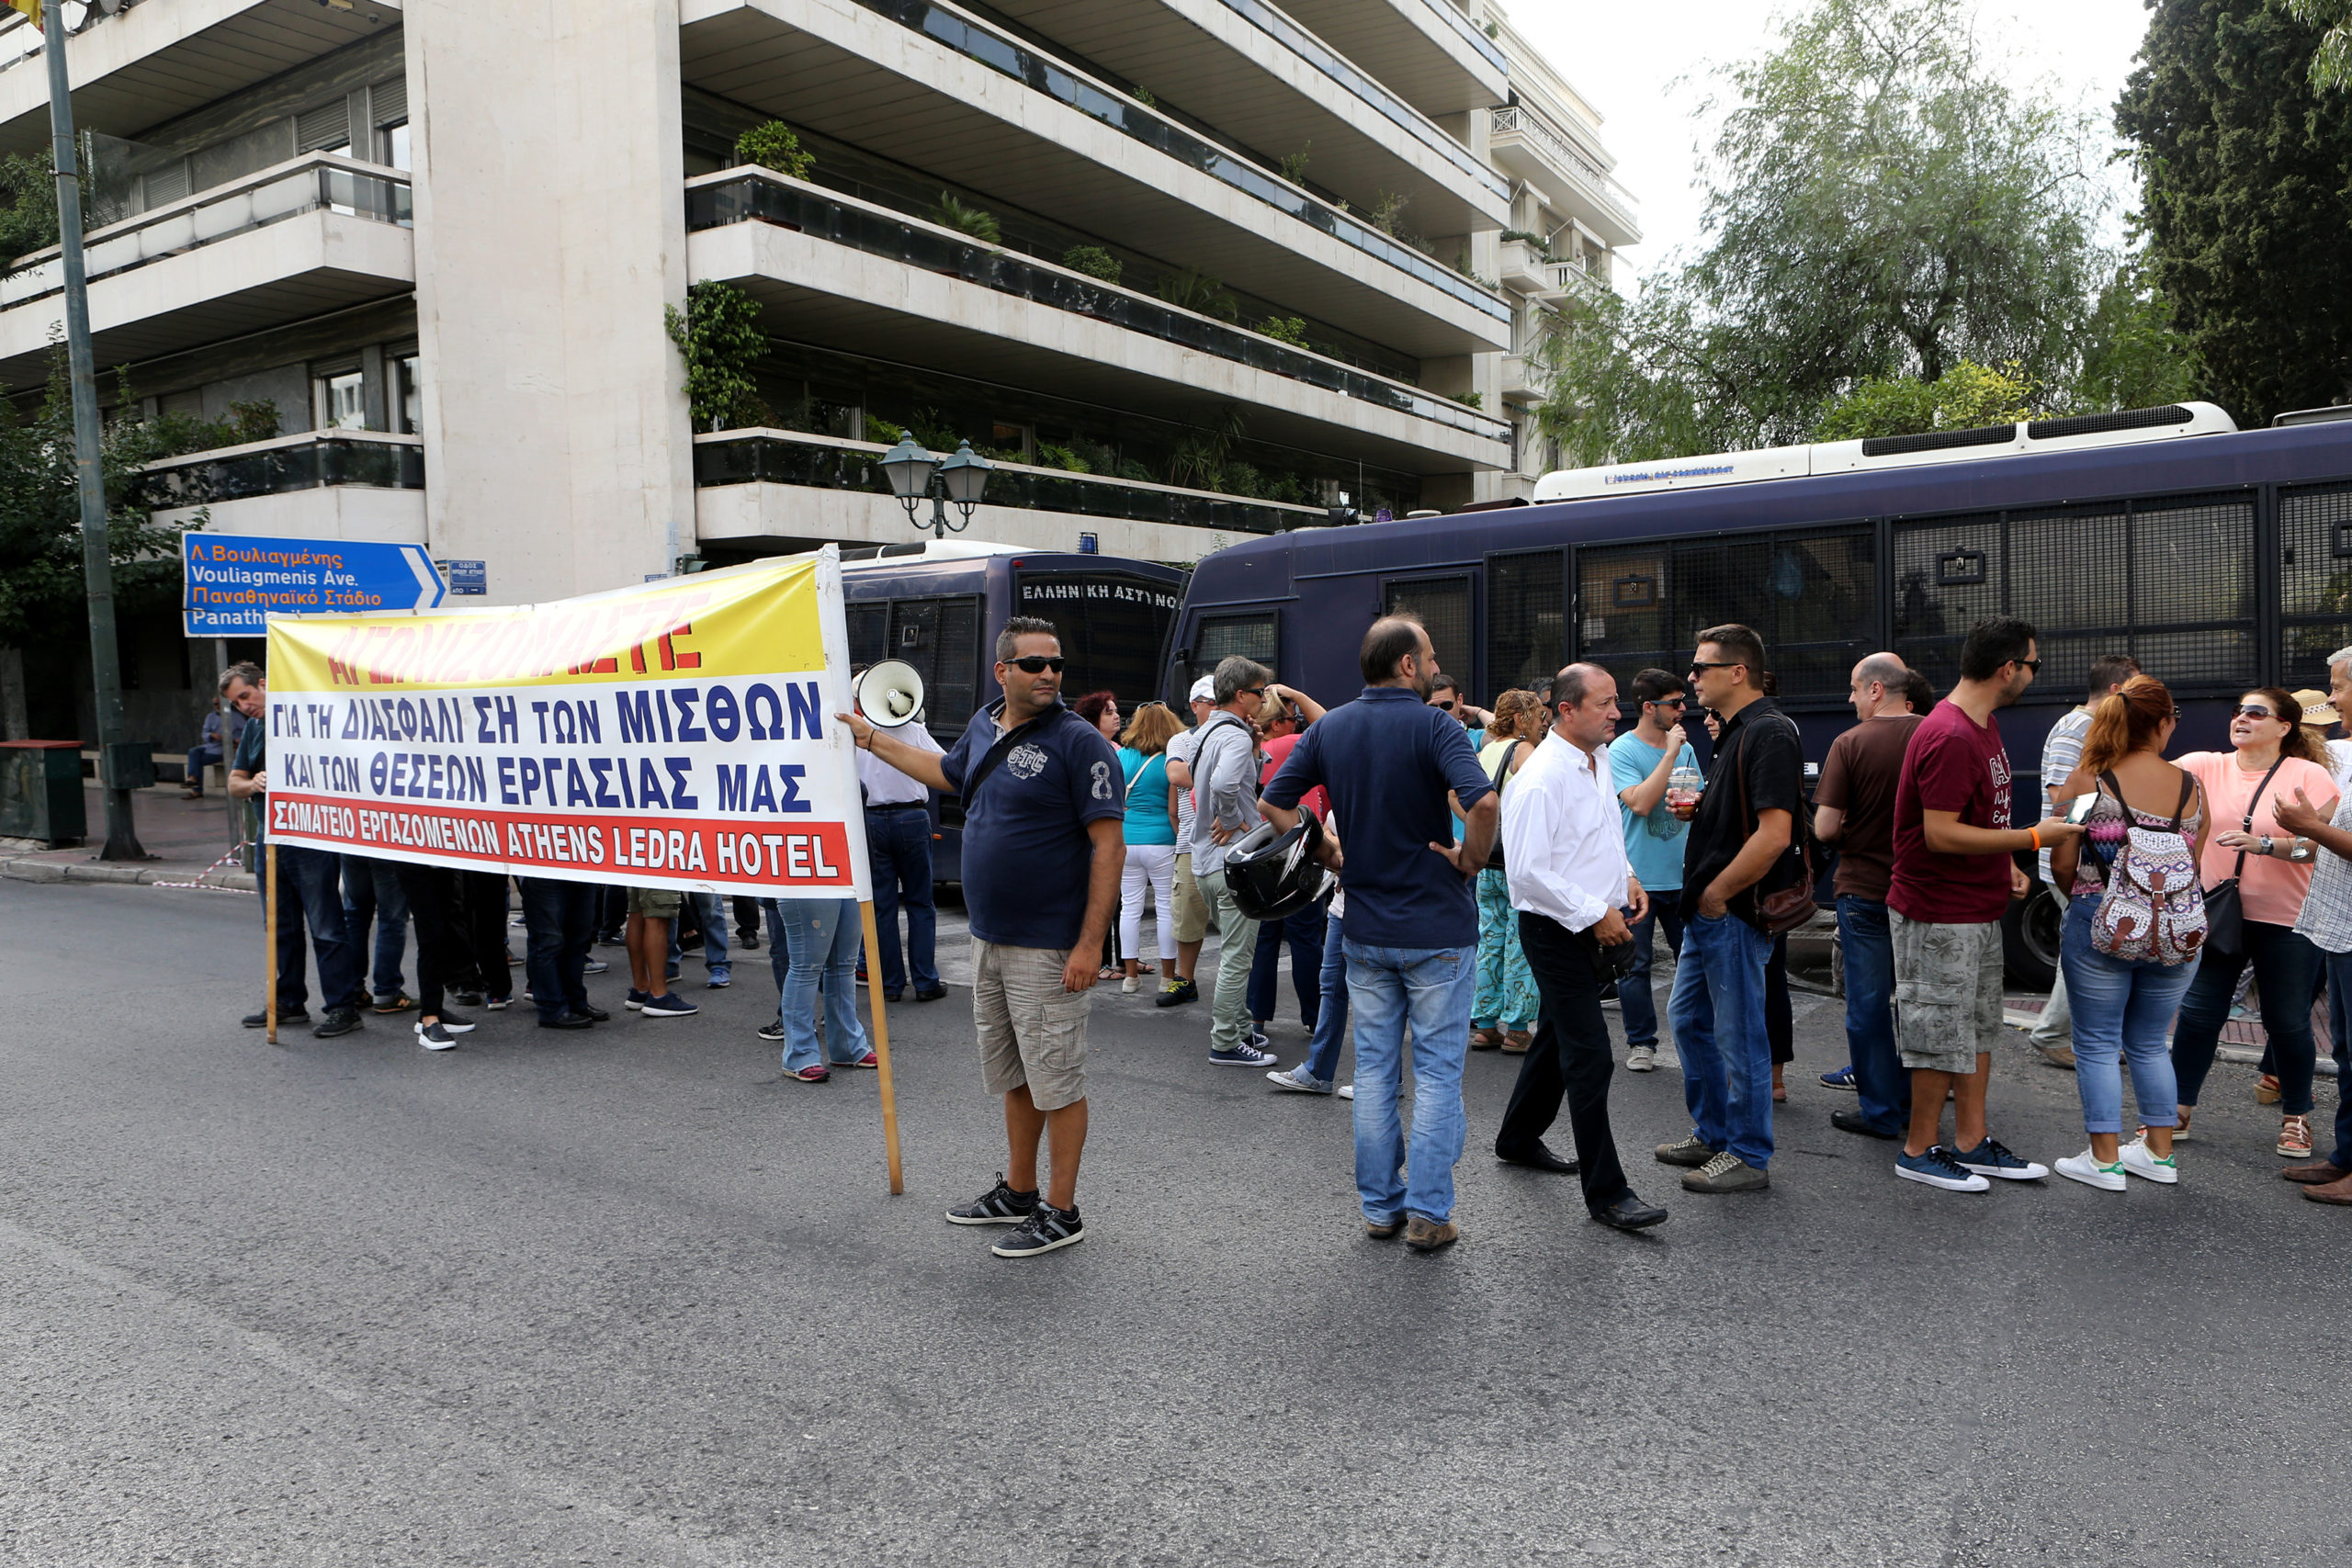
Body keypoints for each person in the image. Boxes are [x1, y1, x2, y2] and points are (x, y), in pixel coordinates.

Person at [843, 615, 1124, 1259]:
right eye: (1033, 664)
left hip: (1048, 943)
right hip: (990, 937)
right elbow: (944, 771)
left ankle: (1062, 1209)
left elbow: (1108, 847)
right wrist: (870, 740)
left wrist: (1089, 945)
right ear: (1003, 671)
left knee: (1059, 1080)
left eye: (1055, 663)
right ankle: (1020, 1193)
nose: (1049, 673)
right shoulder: (983, 723)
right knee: (1016, 1074)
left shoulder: (1081, 744)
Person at [1261, 615, 1497, 1253]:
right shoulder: (1437, 725)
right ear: (1408, 665)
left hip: (1364, 924)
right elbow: (1486, 803)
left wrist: (1328, 848)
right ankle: (1428, 1213)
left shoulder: (1331, 726)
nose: (1432, 661)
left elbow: (1274, 803)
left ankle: (1379, 1206)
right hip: (1439, 928)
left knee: (1373, 1071)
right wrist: (1471, 859)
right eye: (1429, 654)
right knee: (1440, 1074)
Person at [1887, 616, 2076, 1194]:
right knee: (1937, 1031)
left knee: (1976, 1029)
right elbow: (1941, 833)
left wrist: (2006, 864)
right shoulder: (1949, 734)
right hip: (1937, 908)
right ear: (2007, 668)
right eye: (2032, 665)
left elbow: (1979, 817)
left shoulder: (1982, 723)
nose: (2033, 675)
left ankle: (1972, 1141)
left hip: (1974, 905)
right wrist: (2033, 839)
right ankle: (1919, 1149)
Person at [1496, 663, 1670, 1232]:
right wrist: (1597, 913)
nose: (1616, 712)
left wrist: (1626, 877)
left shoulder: (1593, 760)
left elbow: (1600, 834)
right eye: (1604, 703)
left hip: (1591, 922)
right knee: (1590, 1055)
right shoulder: (1542, 775)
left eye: (1615, 701)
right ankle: (1608, 1193)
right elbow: (1525, 876)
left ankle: (1518, 1138)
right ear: (1565, 711)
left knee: (1558, 1036)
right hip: (1555, 932)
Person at [1656, 625, 1802, 1194]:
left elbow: (1773, 835)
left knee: (1740, 1035)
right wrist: (1704, 815)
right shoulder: (1738, 732)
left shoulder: (1768, 733)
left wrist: (1718, 895)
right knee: (1689, 1018)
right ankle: (1714, 1131)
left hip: (1732, 913)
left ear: (1737, 672)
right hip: (1709, 912)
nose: (1690, 679)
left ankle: (1747, 1154)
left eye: (1700, 668)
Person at [2045, 674, 2204, 1189]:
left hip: (2101, 922)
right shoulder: (2190, 786)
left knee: (2095, 1043)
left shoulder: (2085, 779)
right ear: (2160, 723)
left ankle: (2106, 1161)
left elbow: (2062, 859)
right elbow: (2192, 864)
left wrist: (2089, 900)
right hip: (2175, 931)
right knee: (2152, 1042)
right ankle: (2158, 1155)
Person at [2167, 687, 2336, 1158]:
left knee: (2287, 1021)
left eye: (2256, 712)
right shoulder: (2203, 765)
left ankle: (2296, 1117)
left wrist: (2265, 845)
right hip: (2218, 913)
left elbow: (2314, 849)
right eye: (2239, 711)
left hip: (2287, 917)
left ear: (2284, 727)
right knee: (2199, 1016)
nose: (2242, 718)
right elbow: (2146, 782)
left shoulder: (2309, 776)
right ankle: (2175, 1111)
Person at [1811, 652, 1923, 1143]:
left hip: (1865, 890)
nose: (1850, 699)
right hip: (1924, 893)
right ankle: (1918, 1103)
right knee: (1920, 1001)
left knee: (1869, 1006)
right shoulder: (1937, 733)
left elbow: (1826, 826)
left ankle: (1881, 1111)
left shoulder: (1850, 743)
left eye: (1855, 690)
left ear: (1876, 690)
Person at [222, 661, 364, 1039]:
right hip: (270, 840)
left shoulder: (307, 716)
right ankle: (287, 1001)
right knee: (279, 927)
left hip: (309, 839)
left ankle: (342, 1007)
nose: (244, 707)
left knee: (326, 926)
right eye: (236, 703)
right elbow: (234, 782)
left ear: (264, 684)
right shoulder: (254, 728)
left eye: (245, 696)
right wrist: (253, 782)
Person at [2025, 655, 2142, 1069]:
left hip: (2093, 861)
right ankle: (2054, 1033)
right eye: (2136, 689)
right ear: (2116, 691)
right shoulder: (2077, 728)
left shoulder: (2097, 728)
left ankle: (2073, 1035)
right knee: (2085, 948)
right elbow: (2063, 799)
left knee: (2087, 946)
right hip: (2077, 862)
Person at [2276, 647, 2352, 1205]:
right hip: (2340, 924)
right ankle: (2346, 1157)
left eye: (2339, 686)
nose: (2330, 698)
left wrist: (2309, 827)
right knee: (2347, 1051)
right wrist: (2306, 827)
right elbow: (2327, 829)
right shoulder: (2347, 756)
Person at [1188, 655, 1279, 1066]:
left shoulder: (1206, 732)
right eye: (1260, 693)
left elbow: (1226, 780)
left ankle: (1240, 1026)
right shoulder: (1236, 736)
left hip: (1206, 861)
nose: (1264, 700)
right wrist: (1233, 819)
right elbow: (1227, 784)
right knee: (1238, 957)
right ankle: (1226, 1041)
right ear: (1241, 695)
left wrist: (1256, 747)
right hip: (1234, 861)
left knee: (1234, 949)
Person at [1607, 669, 1700, 1072]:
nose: (1683, 710)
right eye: (1674, 703)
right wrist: (1669, 755)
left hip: (1683, 874)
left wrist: (1692, 803)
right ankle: (1641, 1043)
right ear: (1649, 707)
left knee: (1694, 963)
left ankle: (1696, 1037)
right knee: (1635, 965)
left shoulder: (1686, 748)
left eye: (1683, 701)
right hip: (1637, 878)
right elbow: (1641, 804)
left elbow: (1692, 799)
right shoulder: (1622, 751)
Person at [858, 689, 946, 1004]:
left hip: (871, 819)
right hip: (911, 816)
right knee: (920, 903)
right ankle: (925, 980)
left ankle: (891, 984)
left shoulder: (858, 731)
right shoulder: (914, 730)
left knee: (883, 906)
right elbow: (944, 766)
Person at [1468, 690, 1544, 1054]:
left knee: (1490, 940)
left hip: (1487, 861)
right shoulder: (1523, 751)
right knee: (1520, 943)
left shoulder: (1486, 749)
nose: (1542, 724)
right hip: (1516, 860)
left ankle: (1485, 1025)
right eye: (1538, 717)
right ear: (1520, 719)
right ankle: (1516, 1028)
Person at [1265, 810, 1354, 1100]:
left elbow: (1273, 804)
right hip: (1346, 905)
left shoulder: (1377, 781)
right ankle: (1318, 1071)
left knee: (1380, 995)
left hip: (1370, 903)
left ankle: (1384, 1080)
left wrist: (1338, 850)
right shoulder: (1349, 780)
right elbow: (1328, 826)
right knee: (1331, 987)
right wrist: (1334, 844)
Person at [756, 897, 878, 1081]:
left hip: (846, 876)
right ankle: (799, 1054)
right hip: (807, 877)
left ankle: (847, 1045)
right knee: (806, 966)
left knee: (844, 965)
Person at [1115, 701, 1185, 996]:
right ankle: (1167, 977)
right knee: (1166, 909)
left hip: (1126, 840)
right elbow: (1173, 809)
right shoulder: (1170, 760)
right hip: (1162, 841)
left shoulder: (1122, 757)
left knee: (1129, 908)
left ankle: (1130, 976)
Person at [1157, 676, 1217, 1008]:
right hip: (1191, 844)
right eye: (1211, 703)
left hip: (1228, 844)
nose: (1217, 708)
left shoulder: (1233, 735)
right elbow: (1177, 775)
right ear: (1195, 706)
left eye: (1221, 702)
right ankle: (1186, 979)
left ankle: (1237, 987)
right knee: (1187, 916)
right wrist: (1224, 773)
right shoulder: (1181, 740)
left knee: (1235, 921)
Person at [387, 863, 474, 1050]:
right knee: (431, 935)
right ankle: (429, 1018)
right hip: (414, 858)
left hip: (441, 858)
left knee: (443, 930)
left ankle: (434, 1008)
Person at [1072, 691, 1126, 979]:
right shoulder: (1085, 749)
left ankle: (1119, 959)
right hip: (1090, 840)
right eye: (1108, 712)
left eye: (1116, 711)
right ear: (1093, 718)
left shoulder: (1116, 748)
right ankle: (1102, 960)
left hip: (1113, 836)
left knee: (1116, 900)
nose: (1117, 716)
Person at [520, 875, 605, 1030]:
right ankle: (552, 1009)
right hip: (545, 871)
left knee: (577, 940)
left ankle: (575, 1002)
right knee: (547, 942)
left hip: (581, 870)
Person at [341, 855, 413, 1015]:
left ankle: (354, 990)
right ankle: (387, 991)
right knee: (391, 919)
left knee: (355, 916)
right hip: (388, 845)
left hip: (353, 842)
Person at [624, 886, 698, 1018]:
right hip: (656, 868)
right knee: (658, 914)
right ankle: (659, 994)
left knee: (637, 913)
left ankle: (640, 988)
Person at [183, 697, 227, 800]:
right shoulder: (210, 717)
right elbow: (204, 733)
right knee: (193, 752)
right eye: (215, 704)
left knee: (196, 762)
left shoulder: (235, 716)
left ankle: (196, 789)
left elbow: (243, 732)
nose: (218, 706)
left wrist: (232, 739)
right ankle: (193, 779)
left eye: (219, 703)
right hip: (210, 745)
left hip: (222, 749)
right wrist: (212, 735)